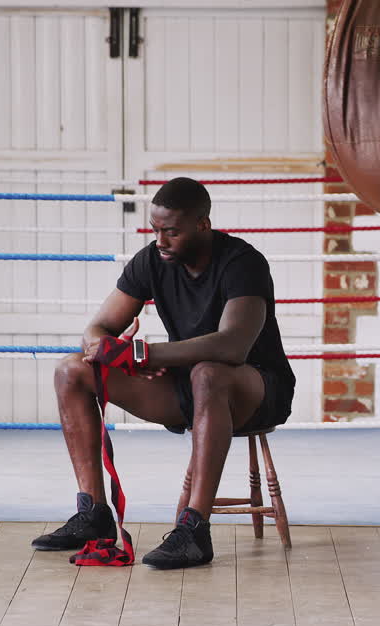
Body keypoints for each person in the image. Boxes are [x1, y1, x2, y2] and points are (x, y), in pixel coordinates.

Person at [31, 177, 294, 569]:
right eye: (155, 230)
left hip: (254, 389)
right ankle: (94, 514)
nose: (160, 241)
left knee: (209, 373)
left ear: (202, 225)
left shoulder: (243, 262)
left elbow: (232, 346)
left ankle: (194, 529)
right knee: (71, 370)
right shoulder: (152, 260)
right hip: (186, 388)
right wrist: (110, 351)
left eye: (171, 231)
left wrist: (148, 355)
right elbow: (97, 329)